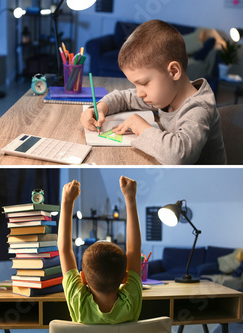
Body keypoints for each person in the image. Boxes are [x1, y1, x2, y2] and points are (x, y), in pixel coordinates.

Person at [80, 19, 226, 164]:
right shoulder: (167, 95)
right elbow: (124, 97)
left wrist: (141, 127)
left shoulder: (198, 109)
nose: (139, 93)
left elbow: (177, 156)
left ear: (174, 72)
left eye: (143, 83)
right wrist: (99, 108)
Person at [58, 177, 142, 324]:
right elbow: (134, 250)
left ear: (83, 279)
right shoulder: (131, 303)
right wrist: (130, 198)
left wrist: (67, 202)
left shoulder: (78, 302)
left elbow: (65, 250)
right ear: (124, 278)